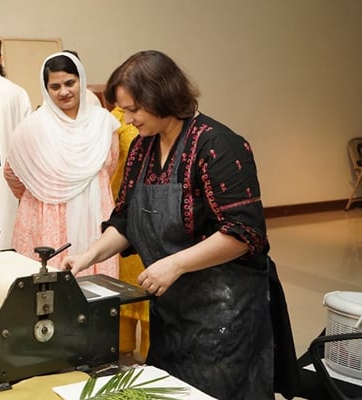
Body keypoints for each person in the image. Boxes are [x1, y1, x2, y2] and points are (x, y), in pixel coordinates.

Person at [61, 50, 294, 399]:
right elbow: (125, 219)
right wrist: (87, 255)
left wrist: (174, 264)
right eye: (124, 109)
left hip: (224, 314)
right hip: (171, 311)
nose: (127, 119)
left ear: (162, 96)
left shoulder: (218, 146)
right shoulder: (142, 148)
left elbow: (245, 234)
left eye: (134, 109)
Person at [4, 52, 119, 276]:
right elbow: (12, 172)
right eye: (55, 86)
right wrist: (42, 190)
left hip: (95, 213)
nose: (64, 92)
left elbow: (109, 166)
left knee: (95, 294)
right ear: (46, 89)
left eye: (70, 83)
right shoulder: (33, 127)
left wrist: (80, 183)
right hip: (46, 217)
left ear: (81, 80)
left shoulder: (103, 122)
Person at [0, 37, 32, 249]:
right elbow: (29, 141)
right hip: (8, 178)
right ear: (1, 59)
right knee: (6, 238)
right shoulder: (18, 93)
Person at [108, 105, 150, 361]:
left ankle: (151, 356)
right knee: (124, 284)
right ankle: (121, 348)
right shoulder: (113, 120)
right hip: (124, 211)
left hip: (157, 218)